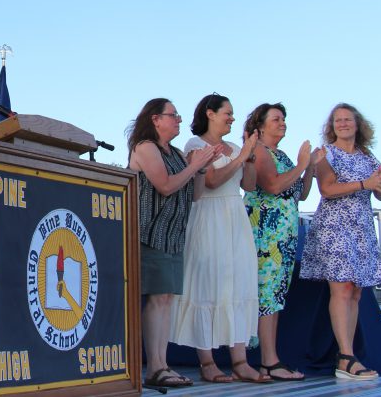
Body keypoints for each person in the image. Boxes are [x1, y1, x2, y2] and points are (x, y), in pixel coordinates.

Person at [170, 94, 269, 383]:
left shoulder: (236, 147)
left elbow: (248, 185)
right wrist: (241, 156)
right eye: (227, 112)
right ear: (210, 113)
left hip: (235, 218)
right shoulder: (196, 145)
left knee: (237, 281)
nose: (232, 118)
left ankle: (240, 360)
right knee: (208, 283)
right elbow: (210, 181)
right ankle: (207, 362)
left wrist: (248, 159)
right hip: (208, 217)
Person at [127, 98, 221, 389]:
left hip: (172, 237)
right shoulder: (145, 148)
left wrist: (201, 168)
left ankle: (162, 364)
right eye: (173, 115)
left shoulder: (178, 154)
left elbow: (195, 195)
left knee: (166, 300)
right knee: (156, 300)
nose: (179, 119)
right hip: (149, 234)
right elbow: (165, 185)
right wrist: (196, 166)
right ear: (155, 119)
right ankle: (155, 367)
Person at [300, 103, 381, 380]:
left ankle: (347, 356)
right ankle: (346, 356)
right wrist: (365, 184)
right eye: (337, 120)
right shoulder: (326, 154)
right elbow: (327, 189)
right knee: (341, 289)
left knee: (355, 291)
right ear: (332, 126)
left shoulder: (367, 156)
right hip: (335, 227)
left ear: (357, 124)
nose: (342, 124)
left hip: (361, 228)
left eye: (347, 119)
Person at [242, 102, 316, 381]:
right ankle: (268, 360)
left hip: (284, 236)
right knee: (266, 295)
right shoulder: (259, 151)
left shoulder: (280, 154)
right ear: (260, 127)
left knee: (275, 295)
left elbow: (301, 194)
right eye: (276, 119)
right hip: (265, 234)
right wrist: (301, 164)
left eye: (283, 118)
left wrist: (309, 169)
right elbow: (272, 185)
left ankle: (270, 360)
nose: (282, 122)